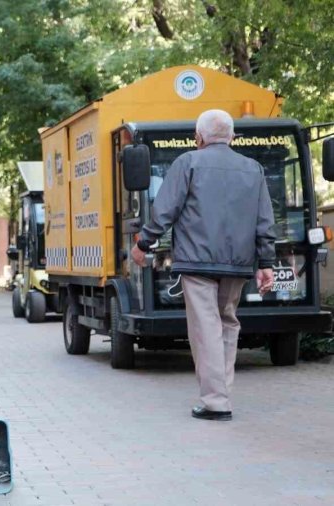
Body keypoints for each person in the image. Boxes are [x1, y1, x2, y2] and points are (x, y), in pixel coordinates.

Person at [131, 109, 275, 422]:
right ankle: (221, 394)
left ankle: (216, 402)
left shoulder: (188, 162)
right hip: (237, 263)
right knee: (227, 322)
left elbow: (165, 210)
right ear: (232, 138)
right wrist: (266, 262)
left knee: (206, 327)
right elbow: (265, 220)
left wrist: (143, 243)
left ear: (198, 138)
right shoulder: (253, 169)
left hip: (196, 262)